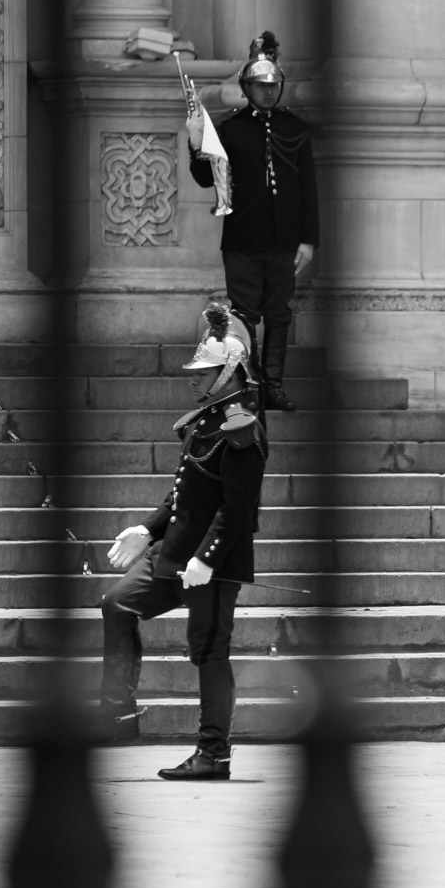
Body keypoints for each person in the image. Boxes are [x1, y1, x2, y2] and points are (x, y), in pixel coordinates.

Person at [100, 302, 267, 781]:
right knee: (117, 604)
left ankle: (213, 753)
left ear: (229, 373)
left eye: (204, 373)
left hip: (212, 563)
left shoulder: (241, 427)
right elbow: (182, 495)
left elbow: (237, 507)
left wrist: (206, 560)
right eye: (194, 373)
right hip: (173, 554)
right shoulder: (203, 421)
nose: (193, 380)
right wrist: (147, 529)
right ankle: (117, 714)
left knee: (209, 653)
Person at [186, 31, 319, 414]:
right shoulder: (230, 129)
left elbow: (308, 189)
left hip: (284, 239)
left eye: (273, 85)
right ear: (247, 88)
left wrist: (308, 239)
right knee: (243, 315)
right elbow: (206, 178)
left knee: (279, 313)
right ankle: (250, 386)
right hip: (243, 238)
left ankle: (273, 387)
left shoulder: (295, 129)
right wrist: (196, 141)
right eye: (261, 85)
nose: (268, 91)